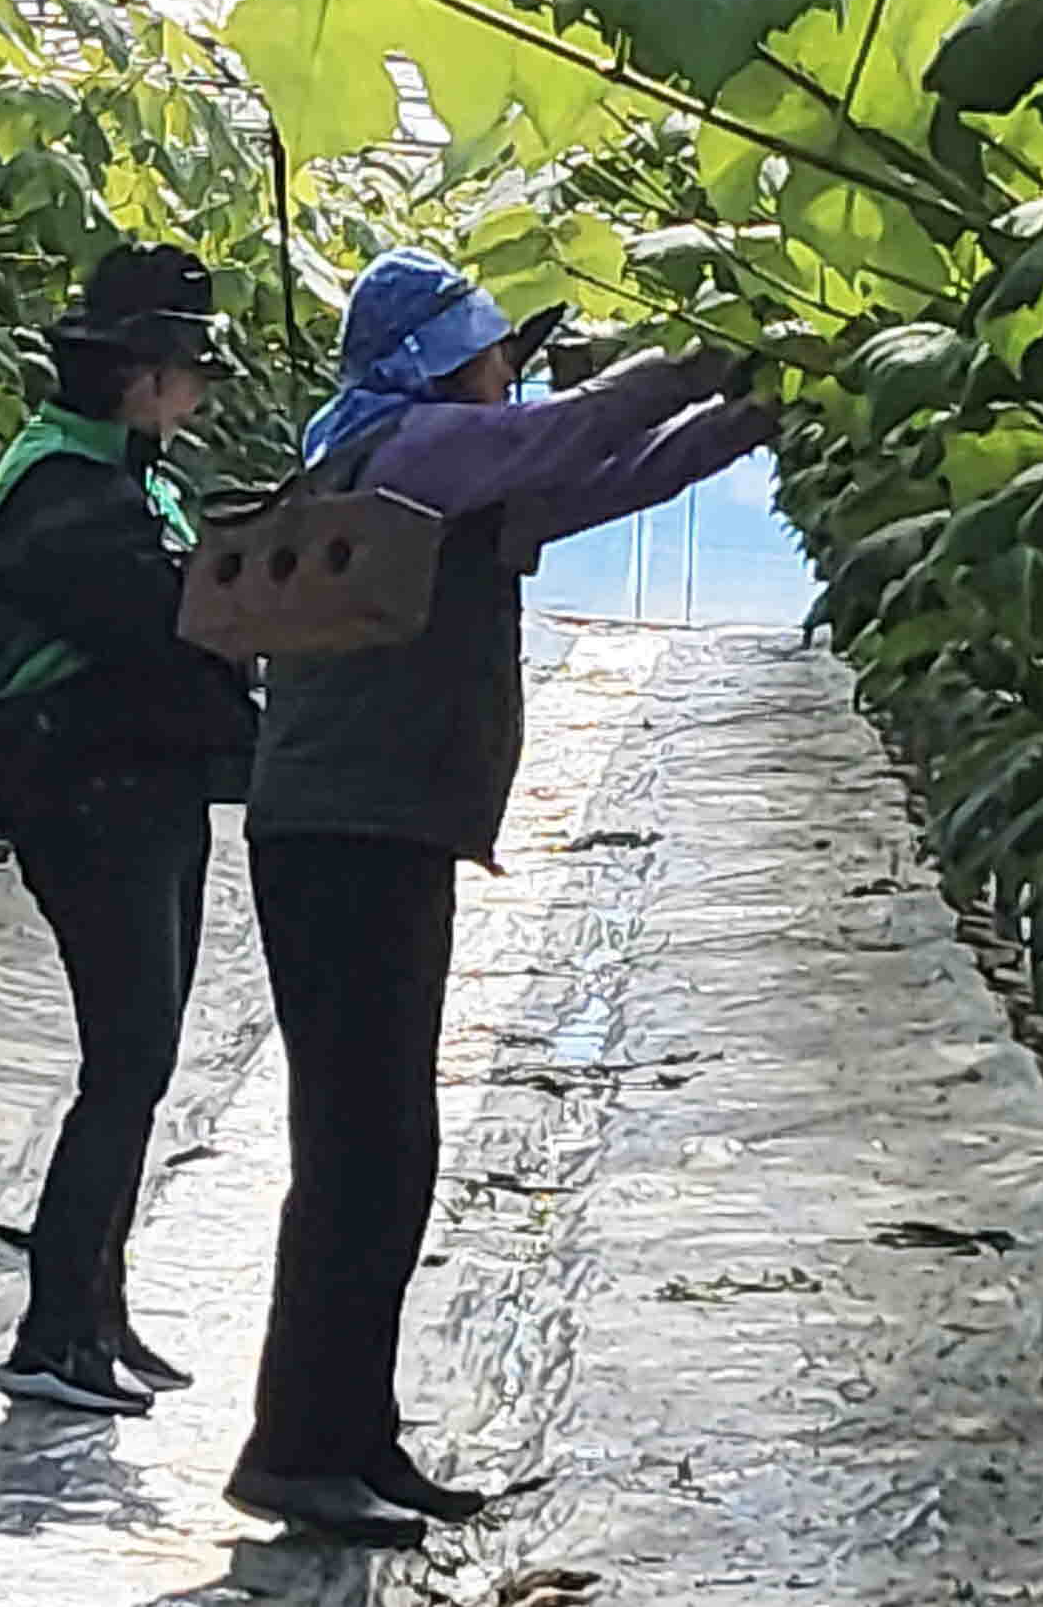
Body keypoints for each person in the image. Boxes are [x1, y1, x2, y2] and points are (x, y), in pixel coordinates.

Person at [225, 248, 774, 1548]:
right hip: (349, 835)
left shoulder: (418, 470)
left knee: (379, 1152)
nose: (509, 369)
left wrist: (756, 416)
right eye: (494, 352)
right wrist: (705, 358)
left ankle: (352, 1431)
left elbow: (621, 474)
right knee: (365, 1153)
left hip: (369, 831)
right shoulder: (415, 451)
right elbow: (578, 431)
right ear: (443, 364)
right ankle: (298, 1445)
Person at [0, 245, 257, 1416]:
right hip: (92, 800)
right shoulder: (68, 495)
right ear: (141, 377)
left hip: (142, 796)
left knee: (146, 1060)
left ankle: (98, 1310)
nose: (202, 391)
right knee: (124, 1065)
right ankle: (54, 1331)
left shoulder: (124, 472)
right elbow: (165, 635)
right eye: (189, 370)